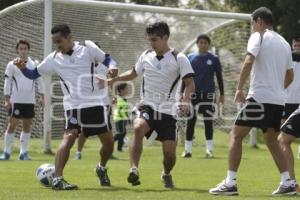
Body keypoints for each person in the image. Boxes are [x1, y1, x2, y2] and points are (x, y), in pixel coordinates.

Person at [14, 24, 116, 190]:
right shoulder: (54, 58)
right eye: (55, 42)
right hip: (73, 105)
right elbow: (33, 74)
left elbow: (108, 59)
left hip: (95, 103)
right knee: (69, 136)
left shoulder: (87, 47)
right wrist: (23, 67)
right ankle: (58, 179)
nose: (57, 45)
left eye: (59, 41)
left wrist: (113, 68)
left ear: (70, 37)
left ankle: (101, 168)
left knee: (109, 143)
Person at [209, 7, 296, 195]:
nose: (252, 27)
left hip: (259, 98)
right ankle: (288, 182)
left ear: (258, 21)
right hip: (278, 101)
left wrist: (240, 88)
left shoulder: (259, 35)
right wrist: (278, 90)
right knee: (272, 141)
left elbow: (248, 61)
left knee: (236, 135)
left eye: (252, 23)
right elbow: (290, 75)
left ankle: (230, 182)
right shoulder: (283, 43)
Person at [109, 21, 195, 188]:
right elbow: (133, 73)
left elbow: (190, 83)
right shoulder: (146, 55)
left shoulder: (180, 58)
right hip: (147, 105)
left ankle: (166, 173)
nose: (151, 43)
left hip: (168, 111)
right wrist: (114, 79)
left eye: (154, 40)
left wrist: (185, 100)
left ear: (165, 38)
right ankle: (134, 169)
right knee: (138, 127)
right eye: (149, 40)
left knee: (170, 155)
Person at [0, 39, 45, 161]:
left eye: (25, 48)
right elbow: (7, 82)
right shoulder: (12, 64)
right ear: (17, 50)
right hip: (16, 100)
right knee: (12, 125)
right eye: (21, 48)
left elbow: (40, 81)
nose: (23, 51)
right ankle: (6, 152)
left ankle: (23, 153)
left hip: (30, 101)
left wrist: (42, 96)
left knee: (27, 125)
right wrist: (7, 99)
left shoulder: (34, 64)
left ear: (28, 50)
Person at [181, 34, 224, 158]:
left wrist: (222, 94)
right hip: (193, 94)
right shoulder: (190, 58)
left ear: (208, 44)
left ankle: (209, 150)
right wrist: (183, 95)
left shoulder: (214, 59)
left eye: (205, 42)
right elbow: (186, 78)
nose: (203, 44)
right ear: (197, 44)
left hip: (208, 94)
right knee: (191, 121)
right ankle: (188, 150)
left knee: (208, 122)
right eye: (201, 42)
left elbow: (219, 77)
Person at [74, 42, 118, 160]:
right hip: (89, 103)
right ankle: (78, 152)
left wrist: (113, 95)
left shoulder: (104, 66)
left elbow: (111, 80)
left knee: (107, 128)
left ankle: (108, 151)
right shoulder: (84, 65)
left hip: (104, 102)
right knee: (84, 130)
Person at [278, 37, 300, 192]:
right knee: (284, 137)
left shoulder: (289, 56)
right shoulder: (287, 59)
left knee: (283, 140)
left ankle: (291, 183)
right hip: (287, 101)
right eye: (295, 45)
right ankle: (291, 182)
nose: (297, 48)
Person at [113, 83, 130, 152]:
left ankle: (119, 148)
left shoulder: (123, 99)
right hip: (119, 118)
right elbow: (119, 108)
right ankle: (110, 141)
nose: (127, 90)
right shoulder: (119, 98)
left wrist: (127, 118)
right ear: (121, 90)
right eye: (126, 89)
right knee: (121, 133)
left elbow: (124, 109)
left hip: (122, 118)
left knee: (123, 133)